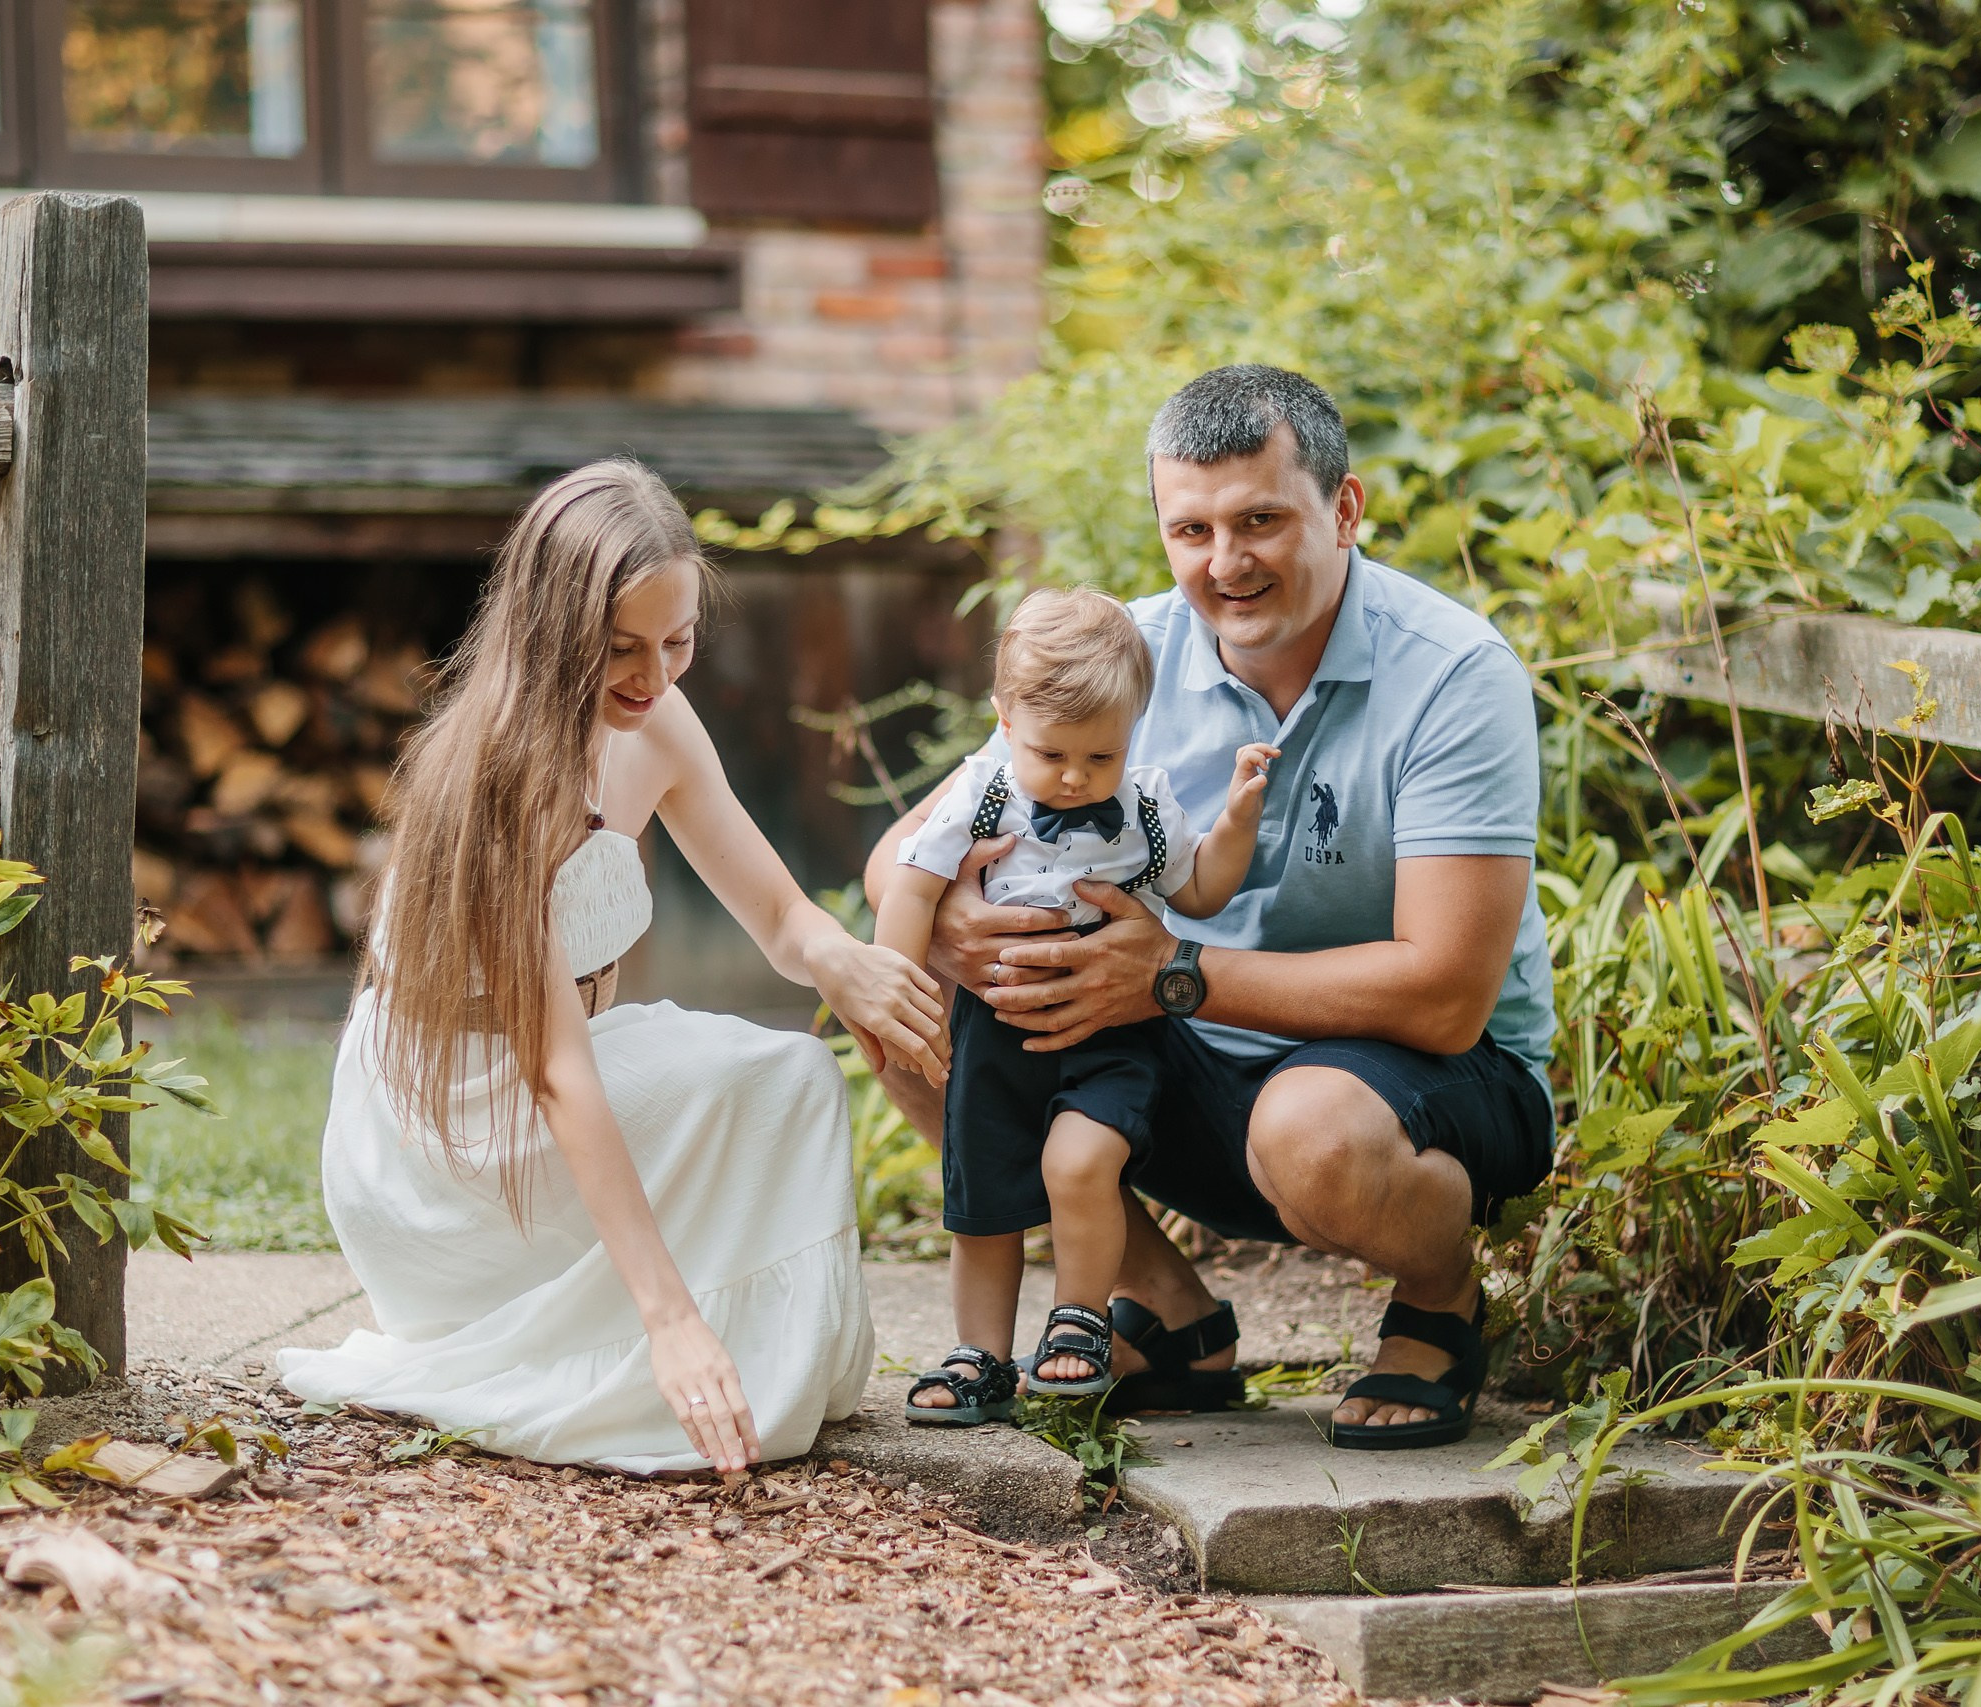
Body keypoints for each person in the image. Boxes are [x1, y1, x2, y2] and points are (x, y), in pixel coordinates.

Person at [863, 366, 1555, 1450]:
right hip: (1175, 1055)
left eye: (1260, 521)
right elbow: (900, 854)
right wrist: (954, 927)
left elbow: (1447, 996)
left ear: (1343, 507)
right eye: (1191, 530)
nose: (1224, 565)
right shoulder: (1114, 663)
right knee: (907, 1015)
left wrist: (1173, 972)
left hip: (1411, 1083)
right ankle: (1171, 1321)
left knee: (1311, 1130)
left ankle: (1438, 1299)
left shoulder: (1455, 674)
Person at [280, 459, 949, 1477]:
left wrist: (842, 963)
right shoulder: (500, 781)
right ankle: (677, 1354)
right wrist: (669, 1318)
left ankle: (762, 1364)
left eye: (676, 642)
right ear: (552, 631)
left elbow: (774, 912)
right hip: (452, 1133)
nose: (654, 675)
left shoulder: (658, 720)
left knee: (790, 1083)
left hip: (564, 1059)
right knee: (769, 1091)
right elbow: (557, 1077)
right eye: (621, 648)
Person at [873, 587, 1276, 1422]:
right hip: (998, 1031)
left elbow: (1198, 890)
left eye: (1101, 757)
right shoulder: (984, 793)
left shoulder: (1145, 807)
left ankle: (1082, 1321)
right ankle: (979, 1353)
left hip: (1107, 1030)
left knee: (1080, 1161)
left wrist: (1236, 819)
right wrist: (897, 998)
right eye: (1053, 754)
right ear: (1006, 719)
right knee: (983, 1202)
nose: (1074, 778)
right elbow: (910, 882)